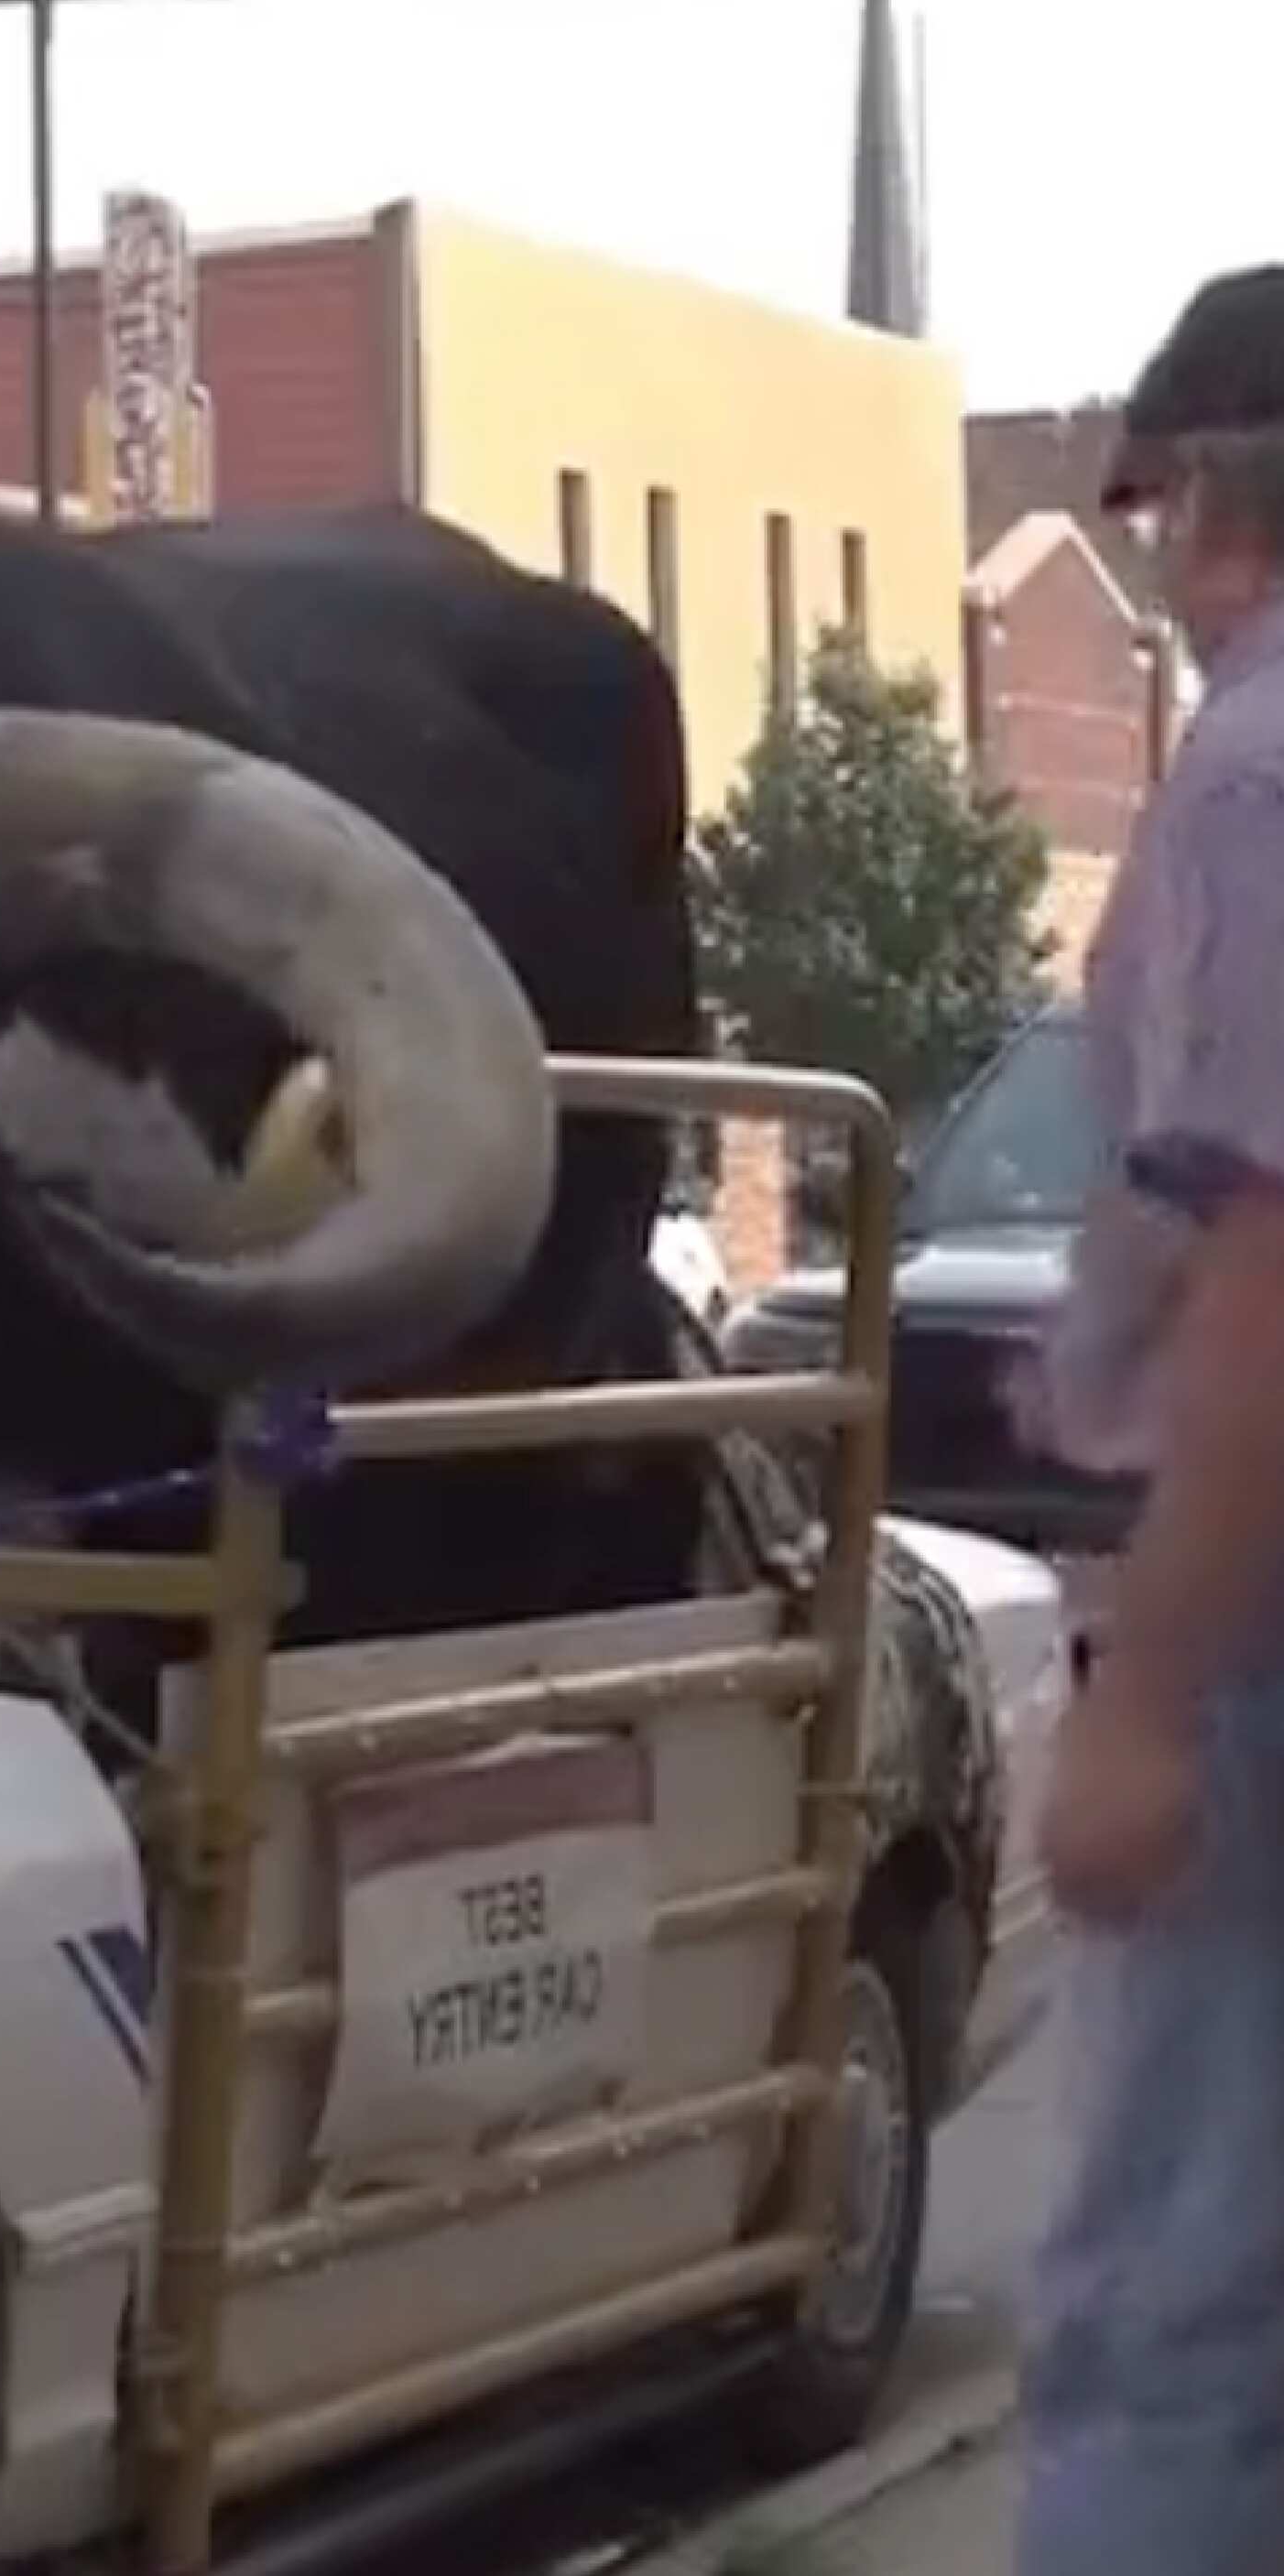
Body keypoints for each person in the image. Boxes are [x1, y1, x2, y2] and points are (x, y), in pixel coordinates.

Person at [1003, 263, 1284, 2574]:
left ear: (1207, 498)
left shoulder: (1257, 772)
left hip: (1258, 1643)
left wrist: (1156, 1700)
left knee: (1169, 2314)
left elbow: (1270, 1252)